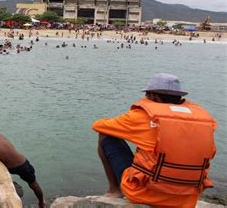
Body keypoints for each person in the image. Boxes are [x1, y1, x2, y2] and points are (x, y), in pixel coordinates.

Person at [92, 73, 217, 207]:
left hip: (143, 194)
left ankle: (115, 190)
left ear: (154, 96)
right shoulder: (205, 120)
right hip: (186, 199)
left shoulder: (142, 116)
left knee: (106, 135)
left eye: (147, 95)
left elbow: (98, 125)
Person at [0, 123, 45, 208]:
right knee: (33, 183)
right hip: (24, 162)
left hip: (13, 168)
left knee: (0, 178)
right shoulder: (0, 136)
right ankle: (41, 202)